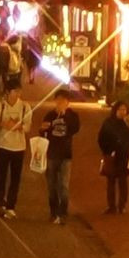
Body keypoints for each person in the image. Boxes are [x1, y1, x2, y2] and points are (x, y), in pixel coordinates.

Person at [0, 79, 33, 214]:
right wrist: (3, 124)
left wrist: (17, 126)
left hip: (19, 147)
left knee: (15, 178)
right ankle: (0, 203)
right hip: (2, 146)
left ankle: (11, 206)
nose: (18, 94)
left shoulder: (25, 107)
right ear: (8, 92)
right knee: (1, 175)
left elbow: (27, 127)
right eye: (15, 91)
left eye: (19, 91)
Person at [37, 93, 80, 223]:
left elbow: (75, 129)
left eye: (63, 100)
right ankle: (53, 212)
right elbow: (43, 132)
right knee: (51, 185)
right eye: (58, 100)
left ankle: (63, 213)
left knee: (64, 185)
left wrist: (64, 115)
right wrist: (42, 129)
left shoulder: (72, 116)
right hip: (51, 153)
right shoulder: (50, 115)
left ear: (68, 102)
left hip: (66, 155)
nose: (60, 102)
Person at [96, 98, 129, 218]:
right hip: (111, 156)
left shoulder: (128, 124)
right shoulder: (108, 122)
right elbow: (101, 138)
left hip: (124, 156)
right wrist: (108, 151)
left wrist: (128, 150)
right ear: (115, 110)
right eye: (120, 109)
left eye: (125, 109)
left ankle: (122, 205)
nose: (123, 112)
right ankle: (111, 206)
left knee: (123, 182)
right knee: (111, 182)